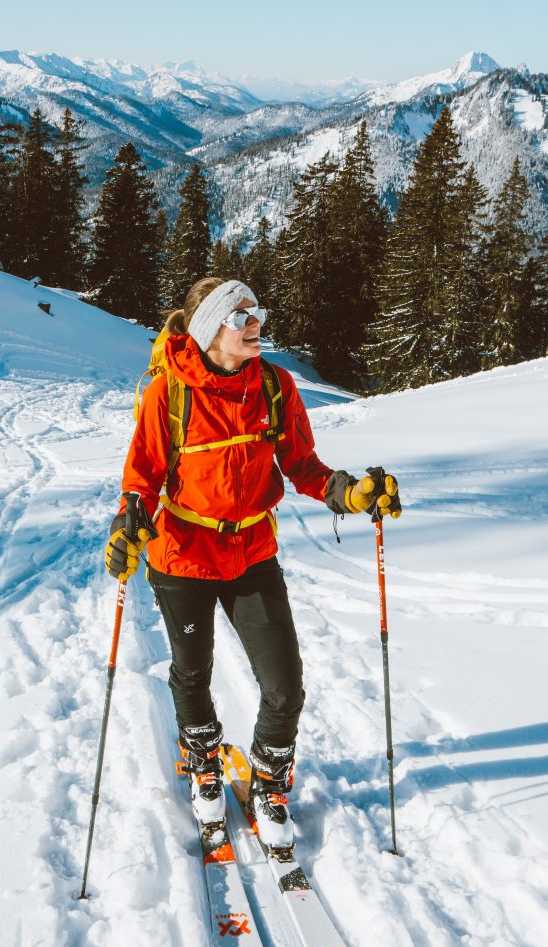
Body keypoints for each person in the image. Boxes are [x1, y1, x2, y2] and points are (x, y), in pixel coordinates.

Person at [105, 277, 399, 848]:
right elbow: (140, 480)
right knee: (192, 672)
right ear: (211, 328)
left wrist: (350, 493)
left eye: (257, 311)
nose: (256, 323)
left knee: (285, 685)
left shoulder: (274, 384)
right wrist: (130, 522)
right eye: (242, 316)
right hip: (183, 555)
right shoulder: (168, 393)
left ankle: (268, 781)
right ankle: (203, 761)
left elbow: (303, 464)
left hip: (251, 552)